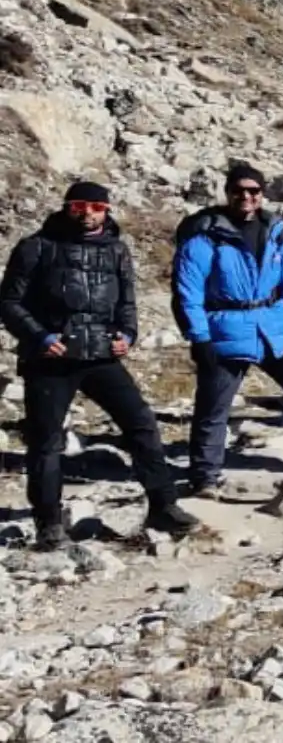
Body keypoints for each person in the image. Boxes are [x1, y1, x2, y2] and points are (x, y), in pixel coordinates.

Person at [0, 183, 199, 550]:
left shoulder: (117, 250)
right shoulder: (36, 247)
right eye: (79, 206)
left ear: (106, 210)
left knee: (142, 424)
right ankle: (49, 524)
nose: (87, 213)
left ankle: (163, 505)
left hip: (102, 357)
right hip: (51, 360)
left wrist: (127, 334)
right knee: (46, 443)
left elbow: (126, 303)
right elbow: (9, 303)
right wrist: (40, 336)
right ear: (67, 207)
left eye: (96, 206)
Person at [172, 163, 283, 496]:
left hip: (271, 326)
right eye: (238, 190)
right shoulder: (205, 235)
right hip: (225, 328)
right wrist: (199, 337)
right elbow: (188, 291)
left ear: (262, 194)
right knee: (214, 406)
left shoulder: (275, 231)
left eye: (253, 191)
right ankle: (204, 476)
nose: (246, 197)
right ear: (227, 193)